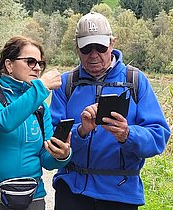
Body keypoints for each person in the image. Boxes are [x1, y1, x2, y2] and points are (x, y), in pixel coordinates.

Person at [50, 12, 171, 210]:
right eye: (87, 48)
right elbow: (52, 138)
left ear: (112, 43)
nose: (94, 54)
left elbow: (158, 137)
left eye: (100, 47)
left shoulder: (135, 81)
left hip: (121, 194)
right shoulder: (66, 84)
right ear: (77, 48)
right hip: (72, 191)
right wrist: (81, 132)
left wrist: (127, 134)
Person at [0, 35, 71, 210]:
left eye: (40, 63)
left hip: (33, 198)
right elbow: (3, 121)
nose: (37, 68)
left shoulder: (39, 106)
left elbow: (46, 159)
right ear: (9, 65)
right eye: (30, 61)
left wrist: (61, 156)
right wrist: (42, 87)